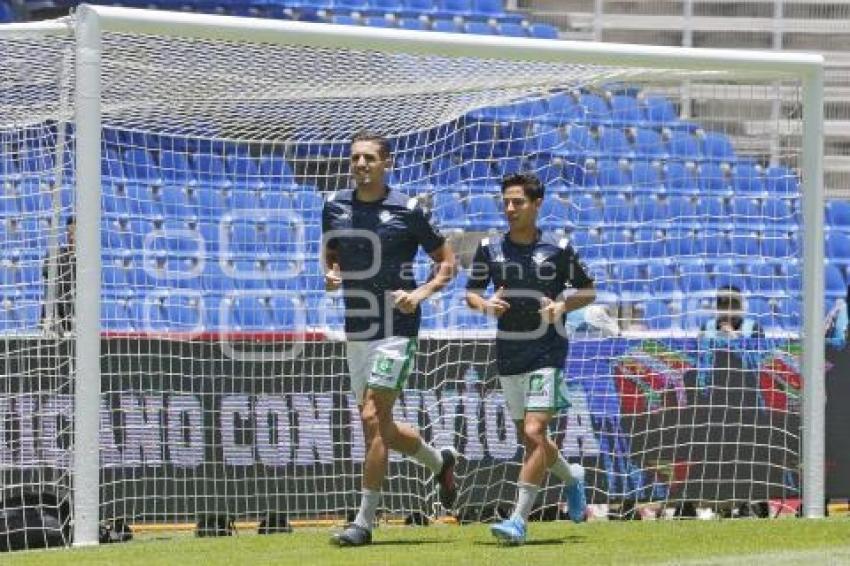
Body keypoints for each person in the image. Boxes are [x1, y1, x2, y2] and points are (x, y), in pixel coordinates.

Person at [322, 131, 459, 547]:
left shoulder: (409, 209)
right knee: (380, 428)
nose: (360, 164)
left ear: (387, 163)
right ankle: (440, 462)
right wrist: (330, 273)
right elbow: (331, 253)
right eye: (355, 158)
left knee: (370, 418)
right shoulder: (334, 206)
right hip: (358, 328)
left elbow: (447, 263)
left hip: (397, 330)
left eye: (368, 158)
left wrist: (417, 296)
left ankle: (363, 522)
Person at [465, 172, 596, 545]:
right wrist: (486, 305)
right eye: (505, 201)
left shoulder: (558, 247)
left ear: (537, 204)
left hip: (547, 351)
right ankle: (572, 477)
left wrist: (562, 304)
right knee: (531, 438)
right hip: (509, 350)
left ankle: (517, 521)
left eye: (518, 202)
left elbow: (589, 291)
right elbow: (472, 293)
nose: (509, 208)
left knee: (536, 432)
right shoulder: (490, 247)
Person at [41, 216, 76, 336]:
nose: (72, 237)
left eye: (76, 234)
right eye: (70, 233)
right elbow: (49, 292)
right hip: (57, 325)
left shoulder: (90, 265)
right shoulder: (57, 256)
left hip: (79, 325)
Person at [700, 285, 765, 340]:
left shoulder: (754, 328)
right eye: (724, 306)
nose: (729, 311)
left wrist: (735, 338)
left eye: (734, 306)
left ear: (742, 307)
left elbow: (759, 354)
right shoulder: (706, 328)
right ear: (717, 307)